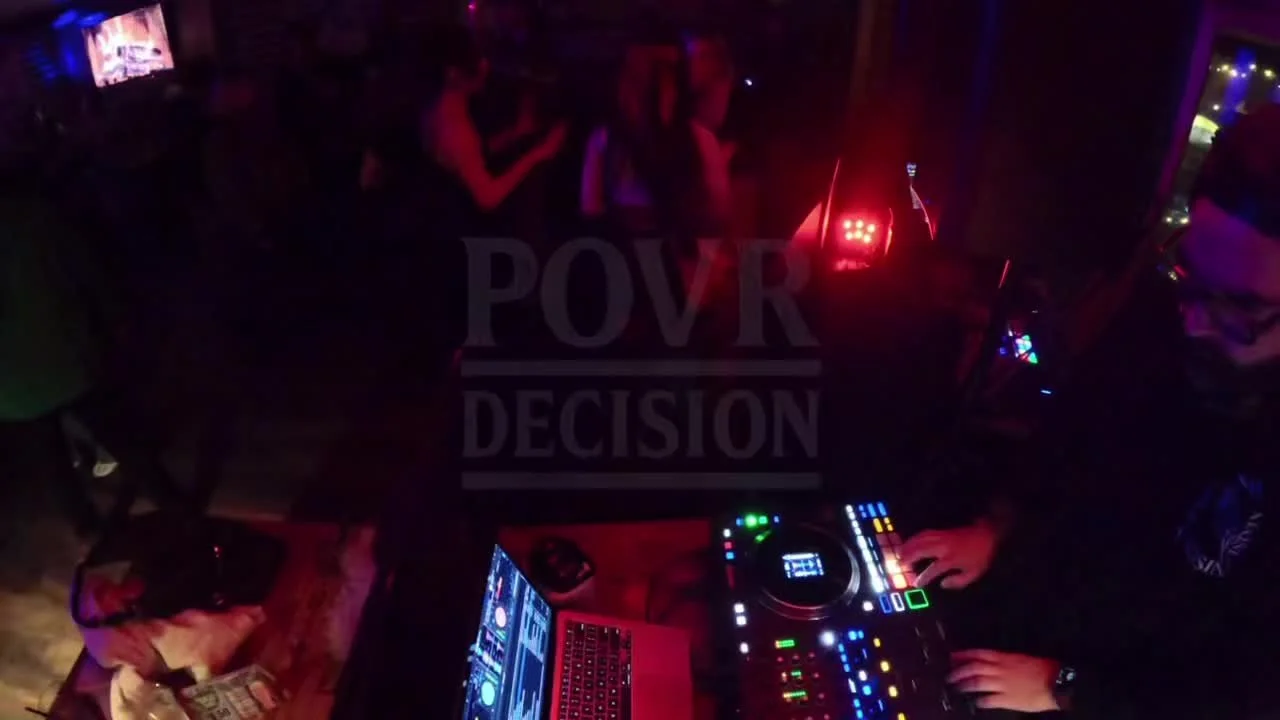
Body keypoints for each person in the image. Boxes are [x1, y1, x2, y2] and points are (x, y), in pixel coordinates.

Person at [900, 106, 1280, 717]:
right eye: (1190, 277)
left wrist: (1068, 686)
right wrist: (996, 532)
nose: (1193, 320)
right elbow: (1065, 451)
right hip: (1035, 626)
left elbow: (1248, 691)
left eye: (1238, 307)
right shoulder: (1158, 315)